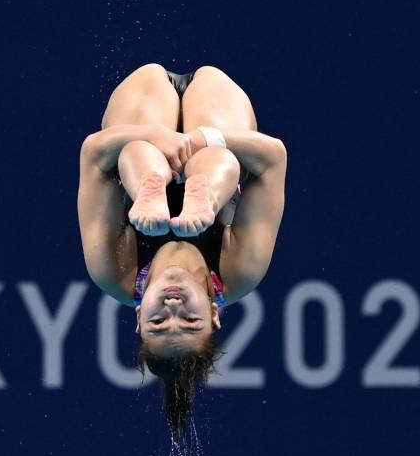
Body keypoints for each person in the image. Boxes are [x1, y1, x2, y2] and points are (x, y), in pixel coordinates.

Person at [77, 64, 286, 436]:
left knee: (135, 151)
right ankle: (206, 188)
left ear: (138, 316)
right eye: (191, 321)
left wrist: (156, 135)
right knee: (216, 163)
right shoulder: (239, 271)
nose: (173, 308)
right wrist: (202, 139)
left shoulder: (114, 272)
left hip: (141, 125)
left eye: (158, 322)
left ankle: (148, 187)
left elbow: (93, 153)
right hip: (217, 127)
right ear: (215, 315)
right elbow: (273, 158)